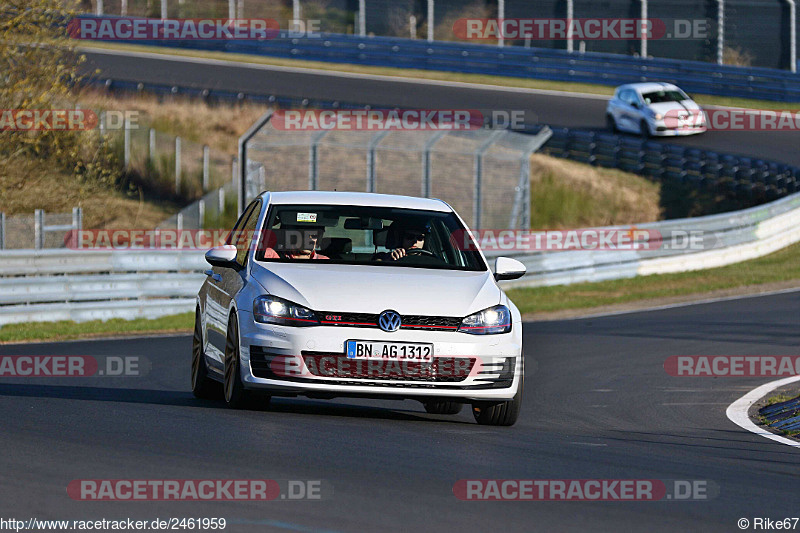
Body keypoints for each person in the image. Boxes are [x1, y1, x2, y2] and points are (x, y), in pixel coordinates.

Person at [261, 225, 329, 260]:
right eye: (305, 235)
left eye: (314, 236)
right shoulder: (272, 255)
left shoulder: (324, 261)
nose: (310, 240)